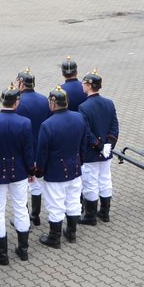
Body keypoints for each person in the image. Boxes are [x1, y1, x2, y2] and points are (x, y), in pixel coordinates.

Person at [0, 84, 35, 264]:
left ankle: (1, 254)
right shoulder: (25, 123)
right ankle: (23, 249)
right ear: (17, 102)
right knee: (21, 208)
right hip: (19, 171)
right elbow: (28, 151)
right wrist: (31, 171)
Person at [35, 87, 88, 248]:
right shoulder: (79, 117)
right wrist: (81, 161)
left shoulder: (47, 125)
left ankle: (54, 237)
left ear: (53, 103)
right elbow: (83, 144)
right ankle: (71, 232)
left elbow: (42, 152)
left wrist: (39, 171)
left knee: (55, 205)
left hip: (55, 172)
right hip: (75, 168)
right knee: (73, 201)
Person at [78, 70, 119, 226]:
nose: (82, 85)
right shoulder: (109, 103)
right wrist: (108, 145)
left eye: (84, 83)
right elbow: (115, 126)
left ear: (89, 85)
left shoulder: (83, 107)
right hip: (106, 151)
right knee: (105, 180)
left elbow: (86, 132)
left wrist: (98, 146)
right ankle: (105, 212)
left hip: (92, 152)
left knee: (90, 183)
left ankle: (90, 216)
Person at [15, 69, 50, 226]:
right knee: (37, 185)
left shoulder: (18, 103)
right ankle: (35, 215)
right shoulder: (44, 99)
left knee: (24, 187)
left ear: (22, 83)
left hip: (26, 150)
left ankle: (27, 216)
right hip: (42, 147)